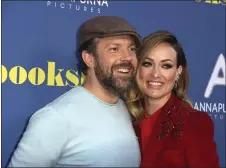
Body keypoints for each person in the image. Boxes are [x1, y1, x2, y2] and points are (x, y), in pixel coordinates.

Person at [8, 16, 142, 167]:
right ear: (89, 59)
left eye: (131, 49)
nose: (128, 57)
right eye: (114, 49)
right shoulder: (56, 117)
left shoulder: (124, 109)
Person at [125, 30, 219, 168]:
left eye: (166, 66)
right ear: (137, 68)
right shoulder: (126, 119)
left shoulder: (194, 122)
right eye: (147, 63)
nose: (155, 74)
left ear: (178, 72)